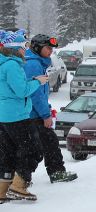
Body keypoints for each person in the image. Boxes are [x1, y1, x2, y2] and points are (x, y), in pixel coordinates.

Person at [0, 30, 49, 203]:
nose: (25, 50)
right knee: (32, 149)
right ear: (16, 48)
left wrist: (32, 80)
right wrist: (38, 82)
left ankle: (2, 191)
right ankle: (19, 186)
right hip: (17, 116)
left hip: (4, 117)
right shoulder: (12, 65)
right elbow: (21, 91)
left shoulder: (3, 64)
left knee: (8, 152)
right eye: (24, 46)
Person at [23, 34, 77, 183]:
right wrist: (45, 114)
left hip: (33, 113)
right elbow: (35, 94)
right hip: (33, 115)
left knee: (43, 144)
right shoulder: (33, 64)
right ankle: (22, 178)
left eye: (52, 48)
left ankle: (21, 178)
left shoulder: (37, 62)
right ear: (37, 48)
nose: (51, 51)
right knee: (41, 146)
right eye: (48, 48)